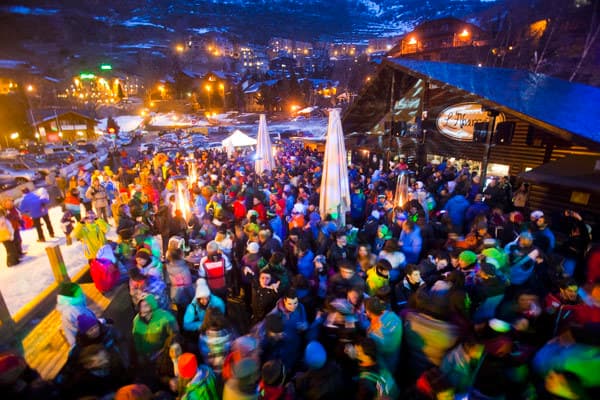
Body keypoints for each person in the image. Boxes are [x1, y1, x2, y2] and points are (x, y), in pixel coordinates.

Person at [132, 296, 179, 371]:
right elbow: (136, 337)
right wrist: (140, 354)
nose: (143, 308)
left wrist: (166, 349)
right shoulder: (137, 320)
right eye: (141, 306)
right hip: (146, 356)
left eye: (146, 305)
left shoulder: (165, 316)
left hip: (161, 354)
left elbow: (175, 333)